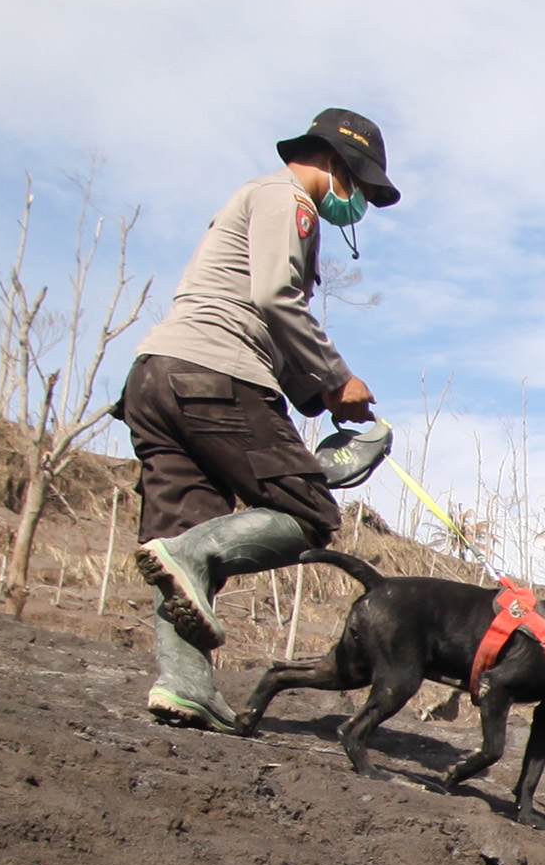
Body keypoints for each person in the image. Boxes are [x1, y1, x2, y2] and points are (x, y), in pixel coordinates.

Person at [117, 107, 402, 728]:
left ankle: (184, 685)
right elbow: (276, 298)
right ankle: (189, 558)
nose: (357, 202)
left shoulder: (253, 199)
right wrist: (337, 377)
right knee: (309, 515)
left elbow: (255, 313)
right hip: (214, 376)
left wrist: (320, 396)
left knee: (183, 531)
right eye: (359, 185)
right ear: (336, 162)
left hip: (156, 377)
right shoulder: (288, 199)